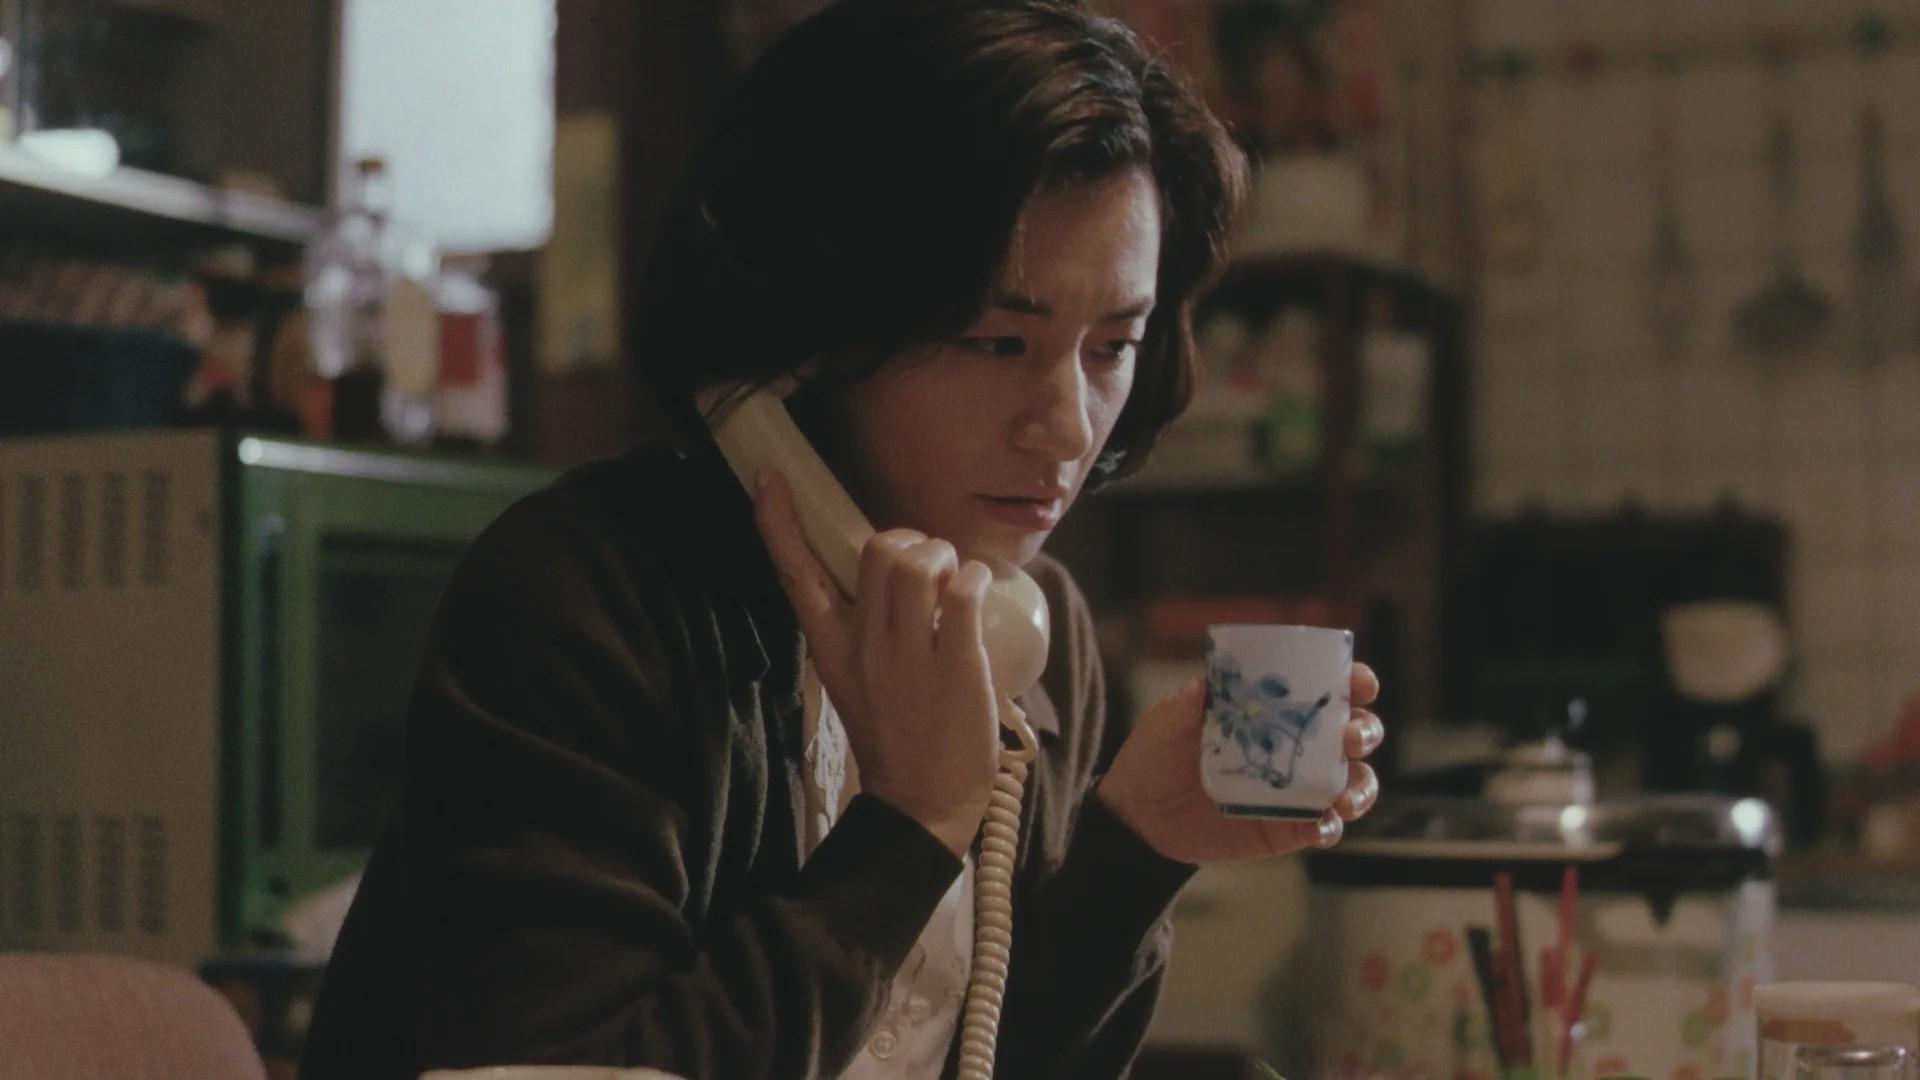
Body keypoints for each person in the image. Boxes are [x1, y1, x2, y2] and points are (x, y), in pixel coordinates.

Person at [299, 2, 1385, 1077]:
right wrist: (909, 826)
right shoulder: (587, 604)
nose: (1065, 427)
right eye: (997, 342)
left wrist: (1136, 845)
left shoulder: (1026, 630)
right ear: (817, 326)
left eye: (1111, 348)